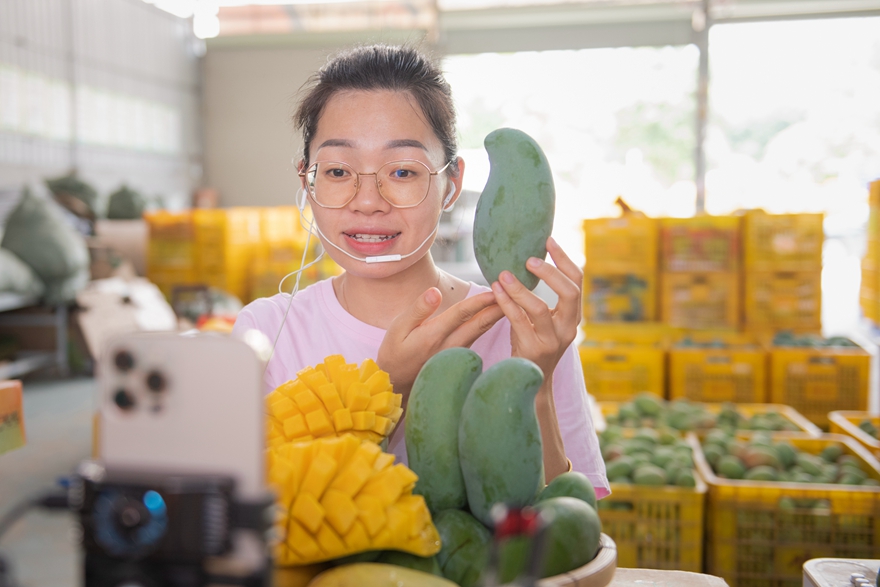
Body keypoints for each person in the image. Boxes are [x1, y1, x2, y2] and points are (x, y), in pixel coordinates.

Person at [232, 44, 608, 495]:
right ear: (306, 182)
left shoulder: (528, 329)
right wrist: (388, 390)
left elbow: (566, 535)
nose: (367, 201)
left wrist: (538, 382)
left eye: (403, 172)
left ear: (451, 185)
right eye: (337, 171)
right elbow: (258, 523)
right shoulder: (265, 334)